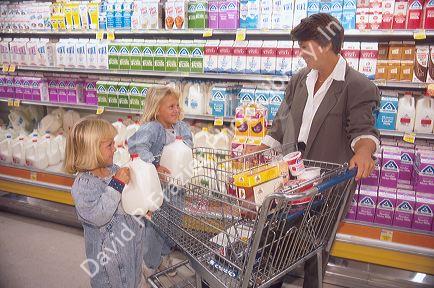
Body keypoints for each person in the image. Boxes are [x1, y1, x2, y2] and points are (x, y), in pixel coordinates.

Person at [251, 14, 380, 288]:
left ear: (324, 45)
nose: (300, 54)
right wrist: (261, 148)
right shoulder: (299, 80)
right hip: (289, 186)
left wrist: (365, 152)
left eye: (304, 47)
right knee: (274, 248)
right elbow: (281, 121)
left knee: (316, 257)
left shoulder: (357, 86)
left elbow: (363, 131)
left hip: (326, 192)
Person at [65, 117, 147, 288]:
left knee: (131, 279)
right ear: (91, 151)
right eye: (109, 145)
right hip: (108, 260)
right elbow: (98, 216)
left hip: (128, 246)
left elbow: (126, 199)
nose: (115, 149)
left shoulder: (113, 169)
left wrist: (141, 207)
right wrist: (116, 184)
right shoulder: (83, 186)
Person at [128, 85, 193, 277]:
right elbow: (136, 146)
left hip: (177, 188)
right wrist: (153, 167)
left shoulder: (181, 126)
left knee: (174, 224)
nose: (176, 110)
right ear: (157, 109)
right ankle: (150, 263)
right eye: (171, 106)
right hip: (157, 189)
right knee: (157, 227)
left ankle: (164, 255)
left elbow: (188, 144)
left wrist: (182, 149)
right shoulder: (152, 128)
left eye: (177, 106)